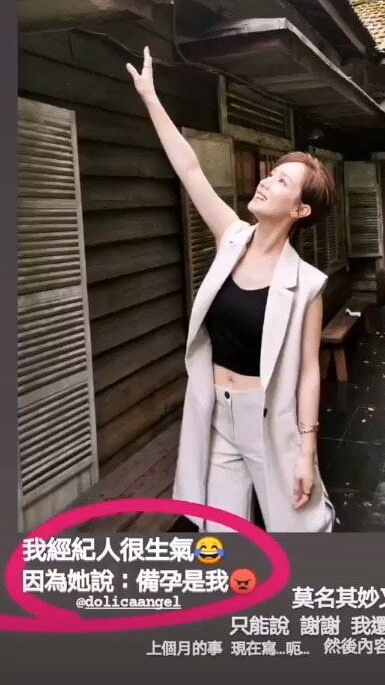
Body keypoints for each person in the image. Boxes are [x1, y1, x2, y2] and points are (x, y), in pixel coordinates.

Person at [127, 47, 337, 533]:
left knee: (298, 527)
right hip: (216, 413)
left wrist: (307, 450)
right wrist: (150, 97)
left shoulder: (307, 283)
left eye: (281, 181)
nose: (266, 182)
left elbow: (309, 372)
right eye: (272, 173)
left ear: (300, 210)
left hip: (268, 419)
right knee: (221, 534)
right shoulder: (231, 237)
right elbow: (190, 170)